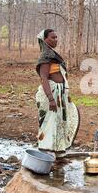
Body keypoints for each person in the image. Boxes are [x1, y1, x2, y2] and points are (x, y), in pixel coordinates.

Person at [35, 29, 78, 161]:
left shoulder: (53, 55)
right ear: (45, 39)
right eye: (53, 38)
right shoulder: (45, 57)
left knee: (60, 122)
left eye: (56, 37)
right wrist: (51, 99)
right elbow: (44, 79)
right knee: (50, 123)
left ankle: (58, 152)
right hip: (51, 95)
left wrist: (66, 93)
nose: (56, 40)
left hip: (60, 93)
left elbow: (61, 76)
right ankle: (46, 154)